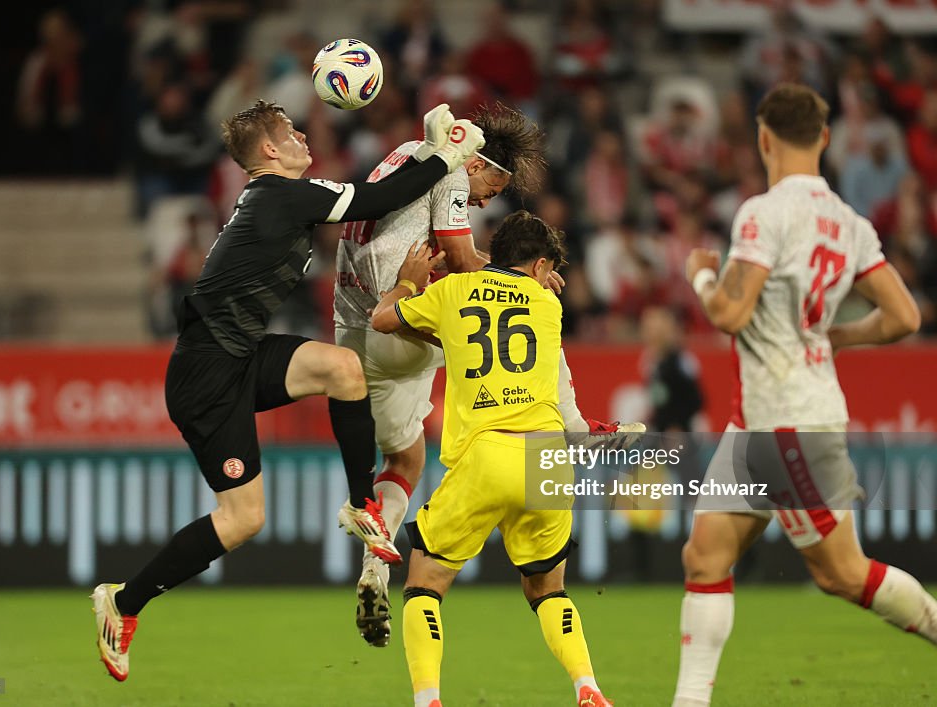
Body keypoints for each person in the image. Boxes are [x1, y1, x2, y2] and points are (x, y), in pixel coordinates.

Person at [90, 100, 485, 682]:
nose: (303, 136)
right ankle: (123, 604)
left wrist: (433, 153)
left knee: (344, 370)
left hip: (239, 353)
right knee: (244, 519)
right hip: (206, 376)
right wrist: (445, 155)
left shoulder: (278, 196)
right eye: (292, 132)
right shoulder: (280, 194)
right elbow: (377, 200)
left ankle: (362, 505)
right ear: (271, 151)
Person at [333, 103, 642, 647]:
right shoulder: (452, 169)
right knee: (526, 318)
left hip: (355, 335)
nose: (483, 202)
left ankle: (375, 565)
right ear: (478, 166)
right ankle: (575, 426)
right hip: (393, 320)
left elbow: (457, 254)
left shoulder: (407, 157)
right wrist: (527, 284)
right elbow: (457, 253)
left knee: (405, 460)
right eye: (492, 191)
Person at [672, 83, 936, 707]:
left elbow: (731, 312)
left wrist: (703, 274)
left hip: (789, 420)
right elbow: (903, 317)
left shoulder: (763, 213)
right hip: (763, 418)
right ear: (822, 137)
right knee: (704, 555)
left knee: (841, 573)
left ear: (764, 138)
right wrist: (834, 335)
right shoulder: (850, 223)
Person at [372, 210, 612, 707]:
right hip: (545, 455)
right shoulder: (548, 304)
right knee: (547, 588)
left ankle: (429, 699)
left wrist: (405, 284)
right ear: (542, 265)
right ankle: (587, 686)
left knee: (425, 582)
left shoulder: (453, 293)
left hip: (486, 451)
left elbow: (383, 321)